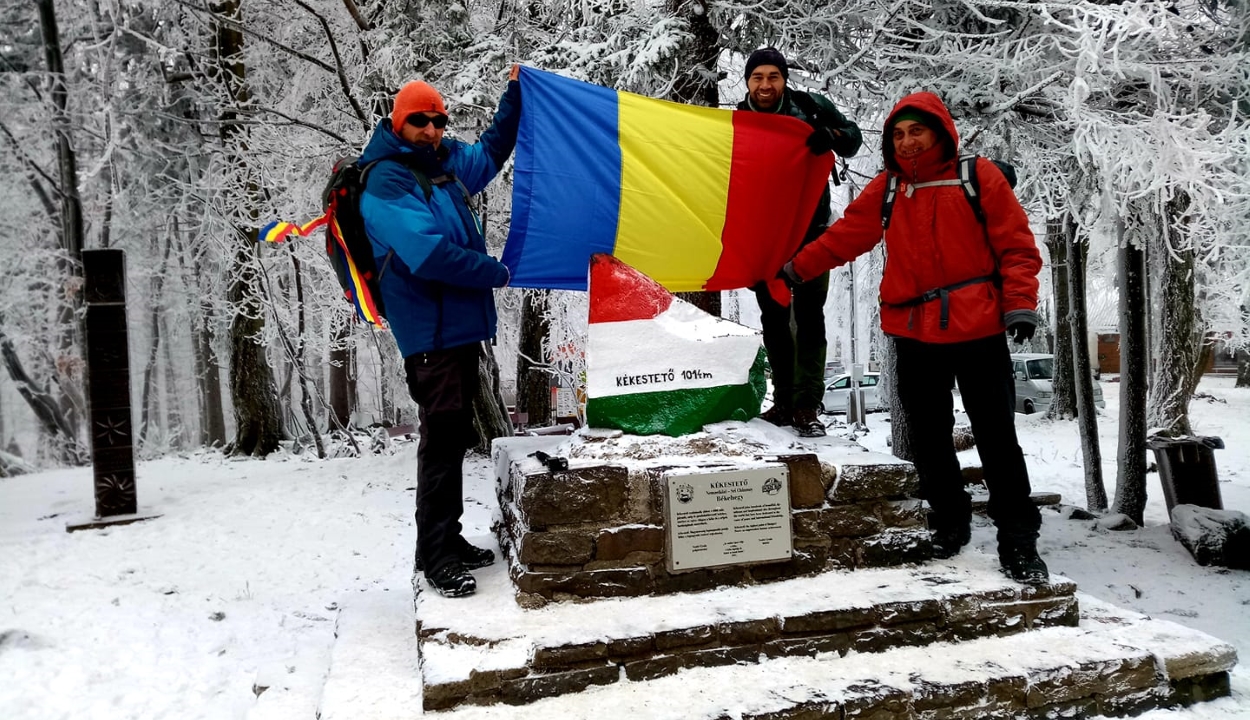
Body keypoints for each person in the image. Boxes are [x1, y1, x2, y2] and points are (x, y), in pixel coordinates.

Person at [779, 91, 1049, 585]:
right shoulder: (887, 188)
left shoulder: (978, 177)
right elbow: (846, 236)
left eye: (915, 132)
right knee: (928, 437)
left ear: (939, 132)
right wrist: (797, 268)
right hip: (912, 331)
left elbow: (1016, 246)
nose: (906, 142)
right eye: (897, 135)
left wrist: (1020, 304)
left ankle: (1018, 538)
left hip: (979, 327)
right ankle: (948, 523)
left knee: (996, 437)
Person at [357, 66, 521, 598]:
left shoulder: (443, 164)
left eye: (438, 121)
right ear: (399, 122)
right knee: (441, 442)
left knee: (452, 439)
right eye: (420, 121)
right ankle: (435, 555)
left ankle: (446, 539)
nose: (431, 130)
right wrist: (492, 271)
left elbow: (492, 153)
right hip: (430, 335)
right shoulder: (386, 179)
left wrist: (515, 95)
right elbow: (426, 252)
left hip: (458, 329)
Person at [739, 48, 862, 438]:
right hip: (763, 239)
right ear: (747, 82)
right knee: (774, 320)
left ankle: (808, 404)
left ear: (784, 80)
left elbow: (853, 139)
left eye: (773, 76)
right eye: (757, 77)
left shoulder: (809, 107)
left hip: (811, 234)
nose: (765, 85)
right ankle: (786, 401)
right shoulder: (736, 123)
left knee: (810, 317)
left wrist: (833, 135)